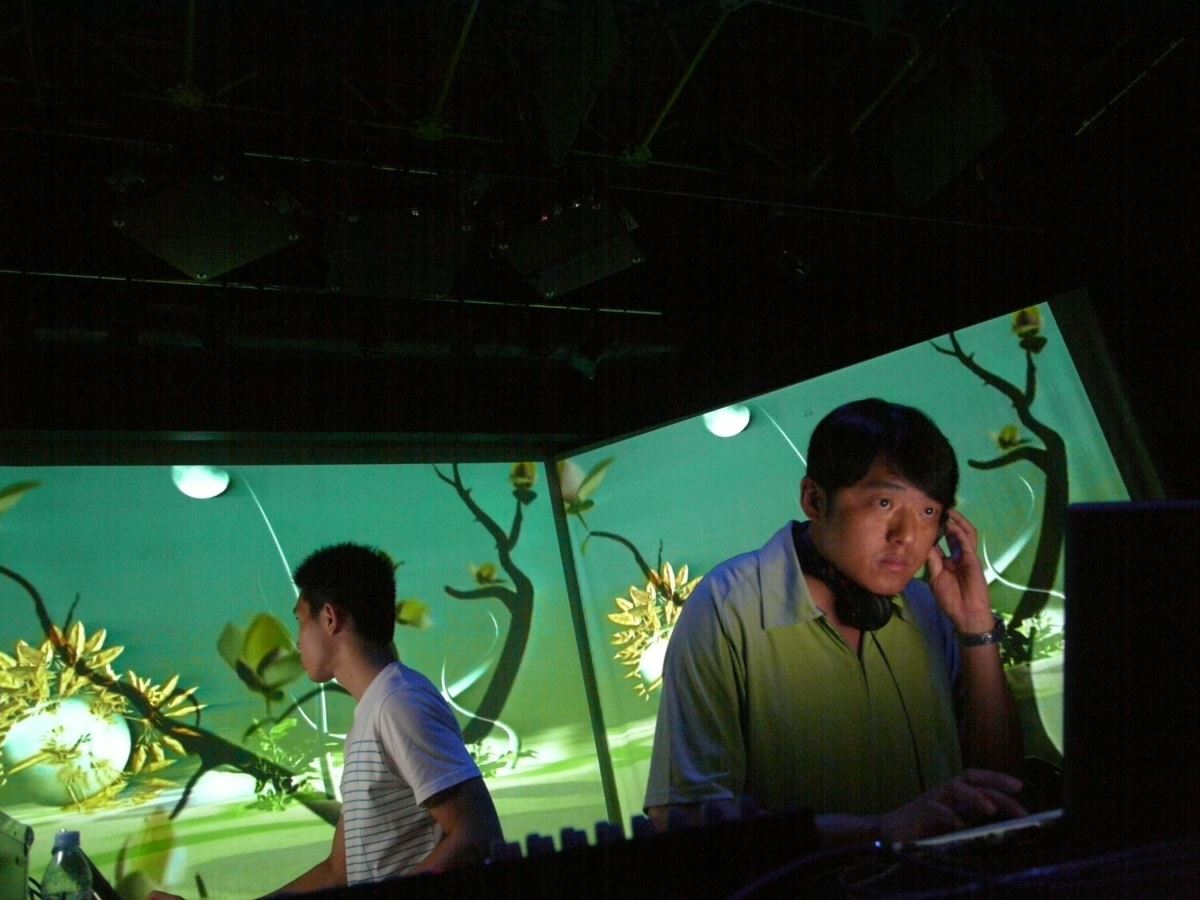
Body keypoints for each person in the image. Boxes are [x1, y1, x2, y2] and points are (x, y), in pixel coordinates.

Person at [644, 398, 1026, 845]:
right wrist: (877, 832)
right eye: (884, 502)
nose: (906, 536)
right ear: (815, 499)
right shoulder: (726, 607)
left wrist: (976, 628)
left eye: (928, 513)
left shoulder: (929, 607)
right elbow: (683, 817)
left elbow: (1000, 786)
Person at [150, 543, 503, 898]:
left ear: (330, 618)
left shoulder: (398, 704)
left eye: (300, 621)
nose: (297, 641)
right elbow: (339, 871)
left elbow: (476, 834)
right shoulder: (375, 711)